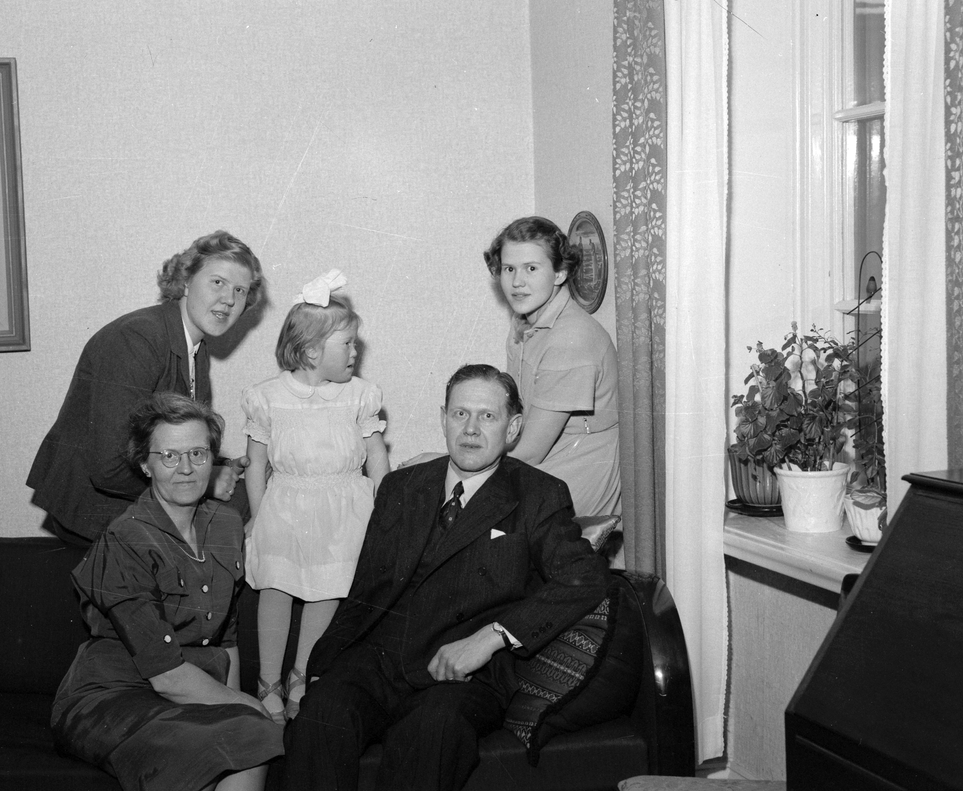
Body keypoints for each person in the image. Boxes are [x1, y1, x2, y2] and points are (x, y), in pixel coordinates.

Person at [280, 364, 610, 791]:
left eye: (487, 416)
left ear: (512, 428)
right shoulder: (401, 486)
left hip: (463, 673)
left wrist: (492, 637)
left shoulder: (538, 494)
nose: (470, 429)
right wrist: (323, 665)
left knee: (431, 730)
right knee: (321, 712)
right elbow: (367, 588)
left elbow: (585, 577)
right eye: (460, 414)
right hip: (380, 661)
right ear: (443, 419)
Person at [51, 393, 284, 791]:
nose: (186, 469)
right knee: (234, 733)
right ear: (146, 464)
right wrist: (250, 706)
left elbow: (226, 638)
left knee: (250, 733)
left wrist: (238, 708)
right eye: (169, 456)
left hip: (189, 693)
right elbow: (166, 676)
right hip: (111, 699)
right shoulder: (126, 538)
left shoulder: (227, 524)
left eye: (198, 453)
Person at [27, 231, 265, 544]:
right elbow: (108, 467)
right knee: (237, 520)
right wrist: (204, 483)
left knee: (259, 498)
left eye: (240, 290)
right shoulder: (137, 338)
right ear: (186, 280)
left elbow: (170, 440)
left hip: (139, 495)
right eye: (218, 282)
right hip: (95, 508)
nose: (230, 299)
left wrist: (219, 466)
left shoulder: (196, 347)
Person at [241, 270, 390, 725]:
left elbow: (376, 458)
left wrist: (384, 511)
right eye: (347, 344)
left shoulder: (360, 396)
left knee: (326, 589)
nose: (356, 351)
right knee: (276, 586)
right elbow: (255, 464)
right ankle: (268, 680)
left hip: (343, 509)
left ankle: (301, 675)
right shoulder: (268, 397)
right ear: (310, 351)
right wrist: (257, 516)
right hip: (285, 506)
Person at [484, 215, 622, 517]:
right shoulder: (524, 321)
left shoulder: (571, 338)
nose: (517, 282)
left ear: (560, 273)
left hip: (581, 467)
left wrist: (451, 465)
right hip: (549, 457)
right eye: (509, 268)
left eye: (531, 268)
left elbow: (531, 452)